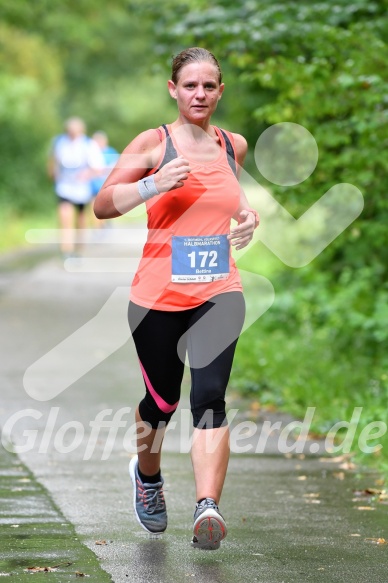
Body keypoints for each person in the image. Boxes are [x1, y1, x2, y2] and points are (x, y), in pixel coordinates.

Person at [93, 47, 259, 550]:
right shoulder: (152, 143)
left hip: (219, 292)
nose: (200, 94)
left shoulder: (235, 145)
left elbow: (230, 196)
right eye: (190, 85)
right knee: (161, 403)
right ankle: (147, 477)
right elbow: (102, 205)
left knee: (209, 398)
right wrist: (151, 184)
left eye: (209, 86)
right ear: (173, 90)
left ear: (220, 91)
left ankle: (207, 506)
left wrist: (248, 216)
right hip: (156, 298)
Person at [48, 117, 104, 257]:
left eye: (75, 131)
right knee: (64, 216)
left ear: (81, 131)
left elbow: (98, 168)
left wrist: (86, 174)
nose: (72, 134)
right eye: (70, 131)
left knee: (80, 218)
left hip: (81, 188)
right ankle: (66, 250)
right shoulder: (59, 142)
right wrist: (53, 174)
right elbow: (52, 160)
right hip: (64, 186)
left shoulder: (88, 144)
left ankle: (79, 248)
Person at [90, 131, 119, 229]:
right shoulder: (91, 153)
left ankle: (106, 224)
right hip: (94, 186)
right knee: (94, 208)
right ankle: (98, 228)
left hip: (107, 185)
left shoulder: (111, 152)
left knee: (106, 207)